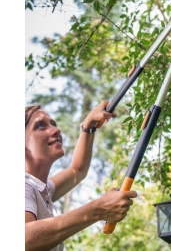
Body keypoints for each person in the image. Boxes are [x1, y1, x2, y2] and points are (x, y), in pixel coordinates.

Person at [25, 100, 137, 251]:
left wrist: (89, 125)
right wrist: (99, 209)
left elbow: (77, 170)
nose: (56, 130)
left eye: (53, 123)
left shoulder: (42, 190)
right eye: (40, 126)